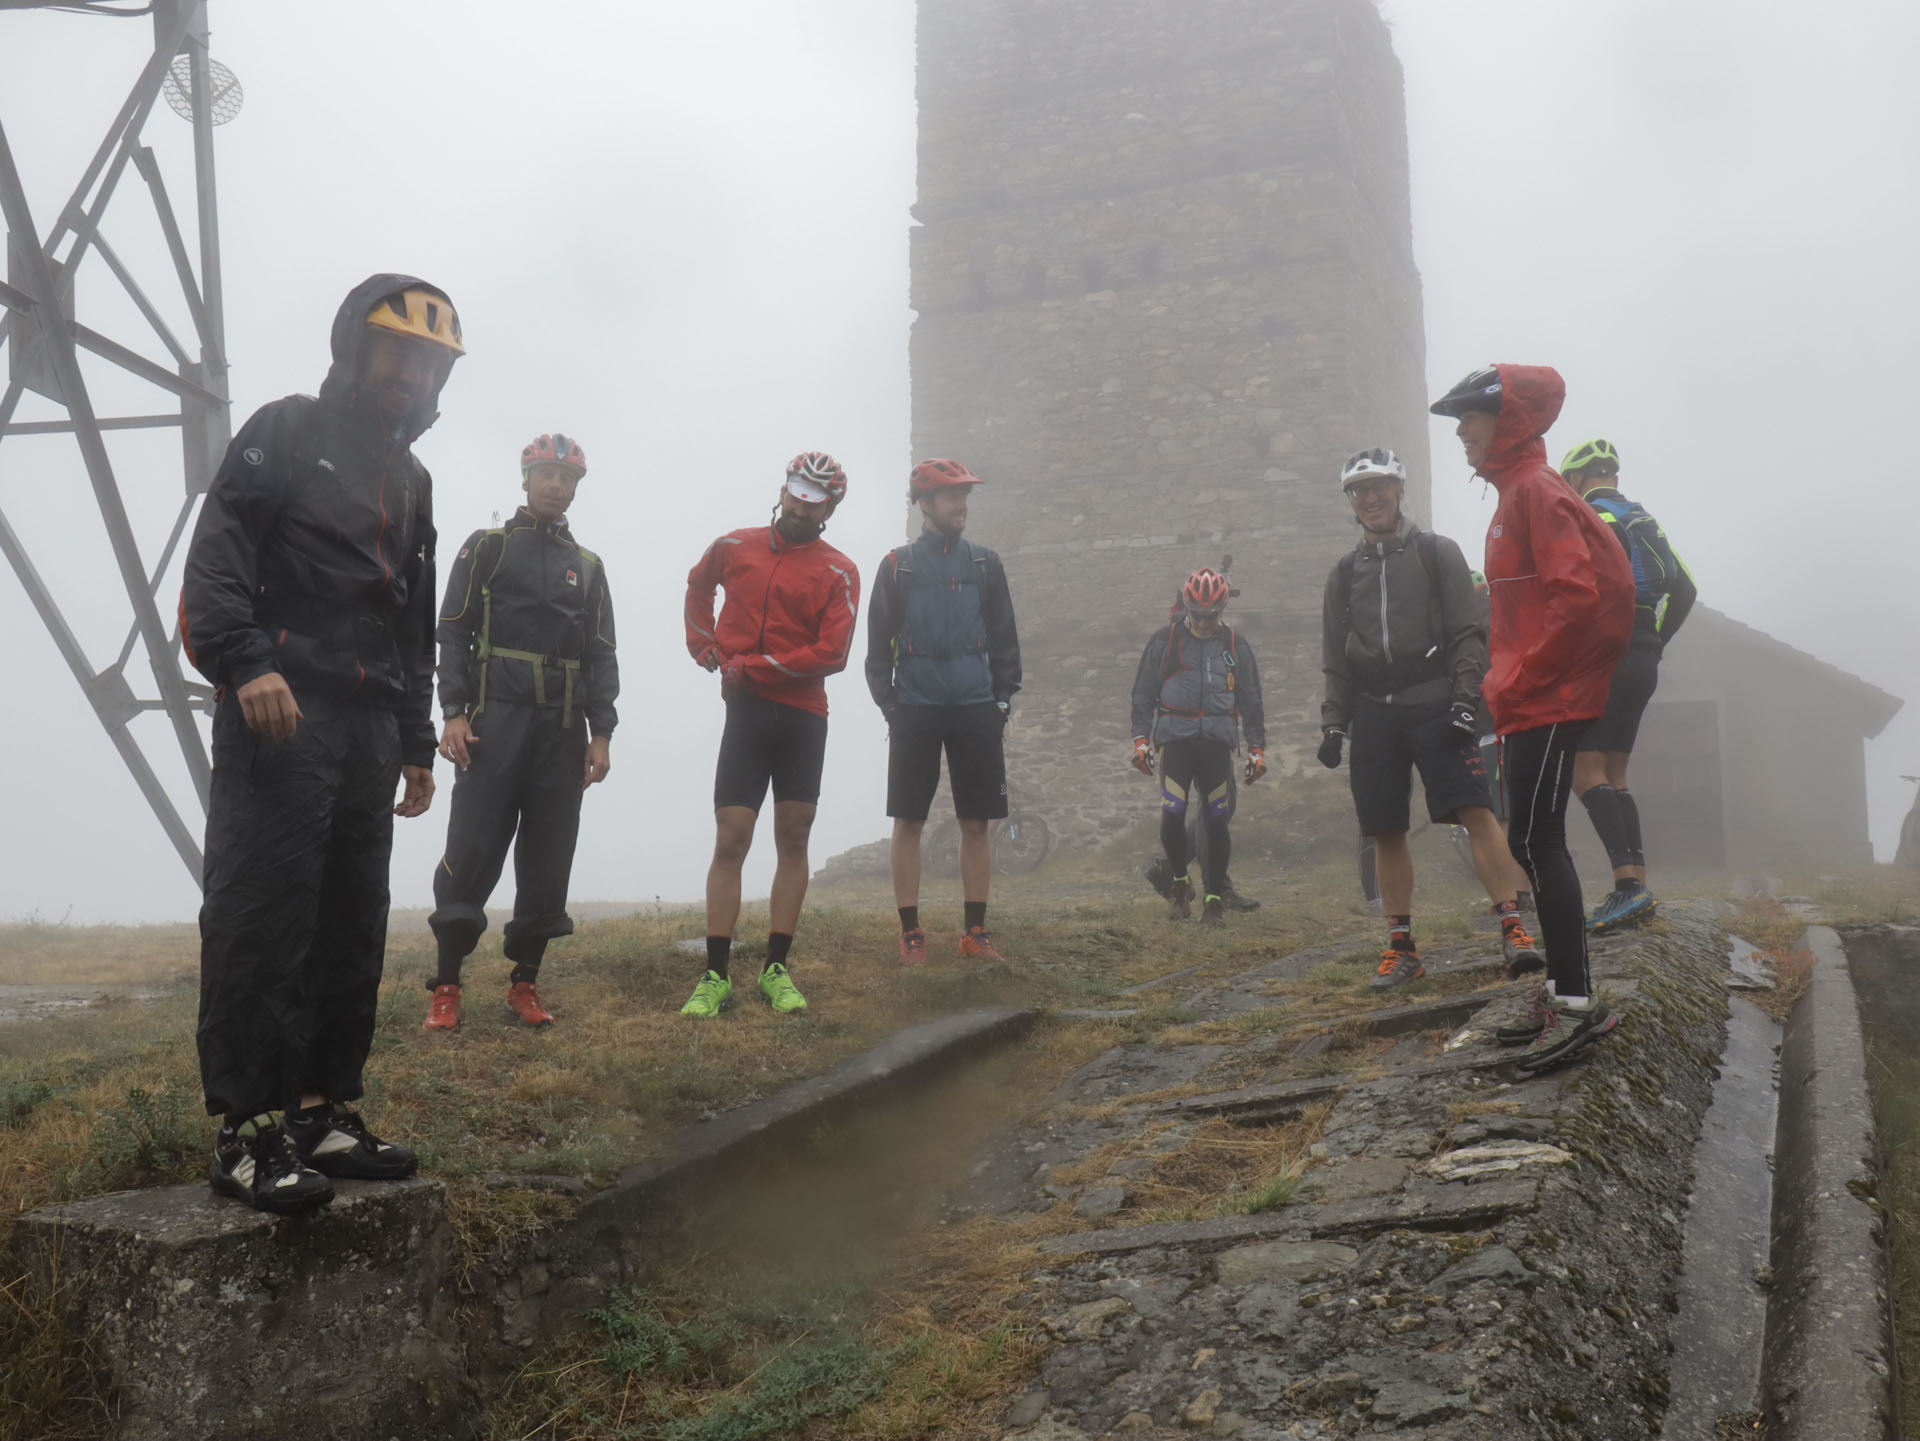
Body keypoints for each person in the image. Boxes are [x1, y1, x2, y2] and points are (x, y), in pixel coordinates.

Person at [181, 275, 461, 1212]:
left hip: (370, 722)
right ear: (356, 345)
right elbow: (219, 552)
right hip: (279, 706)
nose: (412, 372)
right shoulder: (288, 429)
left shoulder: (414, 481)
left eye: (431, 362)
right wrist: (243, 661)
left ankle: (318, 1111)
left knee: (351, 919)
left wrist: (415, 736)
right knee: (264, 911)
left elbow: (411, 619)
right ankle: (246, 1129)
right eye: (398, 350)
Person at [1430, 365, 1635, 1075]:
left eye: (1470, 416)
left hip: (1547, 696)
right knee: (1527, 835)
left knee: (1538, 839)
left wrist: (1522, 676)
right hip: (1533, 695)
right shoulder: (1516, 490)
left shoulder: (1536, 492)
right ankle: (1560, 990)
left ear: (1506, 420)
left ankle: (1576, 1002)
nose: (1460, 430)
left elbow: (1576, 598)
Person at [1317, 448, 1542, 988]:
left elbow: (1468, 632)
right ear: (1350, 500)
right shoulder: (1344, 574)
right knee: (1384, 828)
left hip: (1434, 699)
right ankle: (1402, 949)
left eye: (1380, 486)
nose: (1371, 497)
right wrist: (1334, 721)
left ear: (1400, 490)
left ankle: (1514, 929)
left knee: (1476, 811)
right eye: (1359, 490)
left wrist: (1464, 699)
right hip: (1373, 710)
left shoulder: (1436, 553)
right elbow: (1336, 656)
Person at [424, 433, 618, 1031]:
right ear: (527, 478)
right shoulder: (487, 547)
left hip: (562, 729)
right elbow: (453, 631)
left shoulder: (588, 566)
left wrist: (602, 733)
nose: (557, 485)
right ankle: (447, 986)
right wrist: (452, 711)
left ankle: (524, 986)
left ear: (576, 487)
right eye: (547, 474)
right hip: (495, 720)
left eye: (568, 478)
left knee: (549, 853)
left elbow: (601, 653)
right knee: (473, 845)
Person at [681, 453, 859, 1016]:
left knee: (794, 837)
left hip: (803, 713)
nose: (802, 508)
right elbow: (697, 585)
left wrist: (751, 666)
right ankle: (715, 975)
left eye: (816, 502)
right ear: (783, 490)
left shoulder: (839, 570)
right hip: (748, 714)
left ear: (830, 509)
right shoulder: (735, 546)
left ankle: (775, 969)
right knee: (731, 837)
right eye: (797, 494)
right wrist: (703, 645)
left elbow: (832, 654)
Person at [865, 458, 1022, 965]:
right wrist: (891, 704)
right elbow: (876, 648)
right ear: (926, 504)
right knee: (908, 820)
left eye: (965, 496)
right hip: (916, 705)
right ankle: (911, 933)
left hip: (976, 705)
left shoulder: (985, 564)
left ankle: (975, 932)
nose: (963, 505)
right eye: (954, 496)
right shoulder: (898, 566)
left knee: (977, 822)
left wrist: (1001, 700)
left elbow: (1005, 639)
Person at [1559, 438, 1697, 933]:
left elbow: (1582, 588)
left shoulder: (1588, 516)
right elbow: (1686, 588)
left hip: (1606, 648)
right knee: (1615, 772)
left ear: (1576, 480)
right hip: (1642, 651)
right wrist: (1655, 642)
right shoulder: (1644, 520)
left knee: (1583, 769)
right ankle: (1635, 884)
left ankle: (1627, 887)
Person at [1130, 567, 1267, 927]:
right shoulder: (1165, 641)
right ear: (1186, 608)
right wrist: (1140, 739)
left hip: (1216, 745)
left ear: (1223, 609)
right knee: (1173, 814)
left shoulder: (1235, 646)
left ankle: (1214, 900)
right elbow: (1143, 694)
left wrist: (1257, 748)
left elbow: (1251, 699)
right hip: (1175, 741)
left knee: (1217, 820)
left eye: (1212, 615)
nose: (1204, 623)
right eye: (1197, 615)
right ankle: (1179, 884)